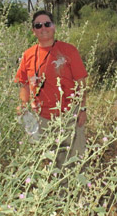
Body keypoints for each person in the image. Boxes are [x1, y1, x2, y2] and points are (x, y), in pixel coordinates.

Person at [15, 10, 88, 169]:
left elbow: (81, 82)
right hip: (41, 119)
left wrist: (82, 108)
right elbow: (24, 84)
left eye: (47, 24)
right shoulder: (28, 55)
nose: (43, 28)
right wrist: (22, 105)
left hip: (70, 117)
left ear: (54, 27)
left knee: (74, 164)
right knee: (48, 168)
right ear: (33, 31)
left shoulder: (69, 50)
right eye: (38, 25)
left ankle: (74, 194)